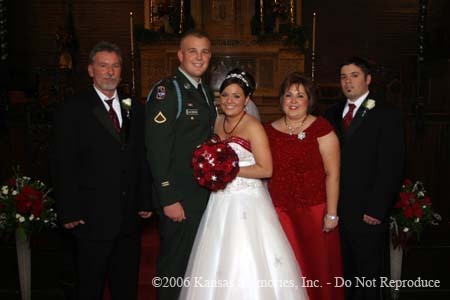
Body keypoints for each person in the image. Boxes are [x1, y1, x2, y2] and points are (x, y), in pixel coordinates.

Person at [179, 69, 308, 300]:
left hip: (247, 201)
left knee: (246, 255)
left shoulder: (253, 127)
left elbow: (265, 169)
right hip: (220, 201)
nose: (229, 100)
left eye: (237, 96)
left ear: (247, 100)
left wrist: (229, 171)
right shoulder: (217, 122)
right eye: (225, 95)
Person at [51, 41, 152, 300]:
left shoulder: (133, 107)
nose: (110, 72)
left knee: (125, 288)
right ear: (90, 70)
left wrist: (144, 199)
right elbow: (62, 163)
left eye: (115, 66)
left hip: (128, 219)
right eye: (103, 66)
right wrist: (68, 209)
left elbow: (140, 156)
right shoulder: (73, 109)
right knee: (89, 288)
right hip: (90, 217)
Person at [324, 57, 404, 300]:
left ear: (368, 79)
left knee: (367, 277)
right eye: (343, 77)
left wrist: (378, 208)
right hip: (338, 210)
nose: (348, 82)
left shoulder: (386, 113)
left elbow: (392, 165)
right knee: (343, 273)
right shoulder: (332, 112)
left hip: (367, 211)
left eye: (354, 75)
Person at [145, 30, 217, 300]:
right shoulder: (168, 91)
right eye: (192, 51)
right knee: (174, 266)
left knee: (193, 264)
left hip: (200, 194)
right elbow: (156, 149)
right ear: (179, 55)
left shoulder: (205, 92)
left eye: (205, 51)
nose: (199, 57)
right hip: (179, 198)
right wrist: (168, 197)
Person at [265, 72, 344, 300]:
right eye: (288, 95)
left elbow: (333, 174)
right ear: (281, 100)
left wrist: (331, 213)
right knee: (288, 269)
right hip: (280, 212)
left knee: (316, 267)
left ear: (309, 100)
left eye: (300, 96)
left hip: (314, 211)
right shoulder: (268, 131)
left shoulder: (322, 129)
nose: (293, 101)